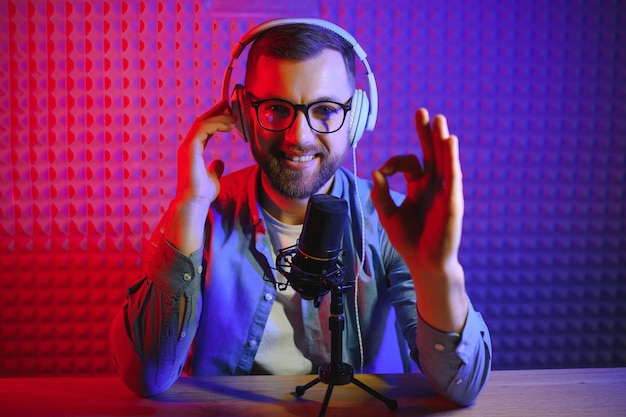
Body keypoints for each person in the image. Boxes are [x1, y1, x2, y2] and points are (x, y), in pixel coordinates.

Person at [110, 18, 492, 406]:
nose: (299, 137)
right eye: (277, 109)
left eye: (325, 110)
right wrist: (188, 208)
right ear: (243, 113)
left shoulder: (389, 222)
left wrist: (438, 272)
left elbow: (461, 387)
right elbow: (146, 378)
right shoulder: (202, 215)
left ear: (357, 117)